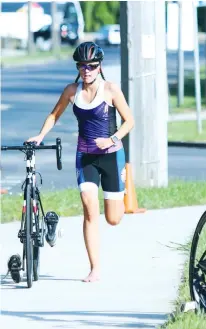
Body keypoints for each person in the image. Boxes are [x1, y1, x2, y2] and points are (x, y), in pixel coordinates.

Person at [27, 42, 135, 282]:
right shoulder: (71, 91)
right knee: (89, 211)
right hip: (84, 156)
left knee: (113, 219)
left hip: (111, 155)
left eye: (92, 66)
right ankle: (94, 268)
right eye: (82, 66)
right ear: (78, 67)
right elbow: (54, 114)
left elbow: (129, 121)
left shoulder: (111, 90)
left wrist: (112, 139)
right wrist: (41, 135)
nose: (87, 70)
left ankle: (121, 187)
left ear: (99, 66)